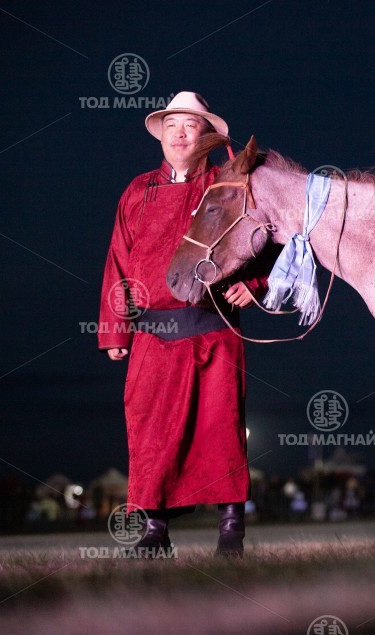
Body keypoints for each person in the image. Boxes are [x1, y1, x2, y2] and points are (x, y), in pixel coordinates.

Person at [98, 91, 267, 556]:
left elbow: (265, 238)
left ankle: (231, 531)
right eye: (171, 125)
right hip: (152, 336)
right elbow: (118, 259)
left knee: (221, 430)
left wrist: (255, 284)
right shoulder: (137, 191)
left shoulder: (228, 184)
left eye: (190, 125)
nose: (179, 134)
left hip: (213, 330)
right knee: (150, 431)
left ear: (206, 136)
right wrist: (115, 328)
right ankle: (154, 531)